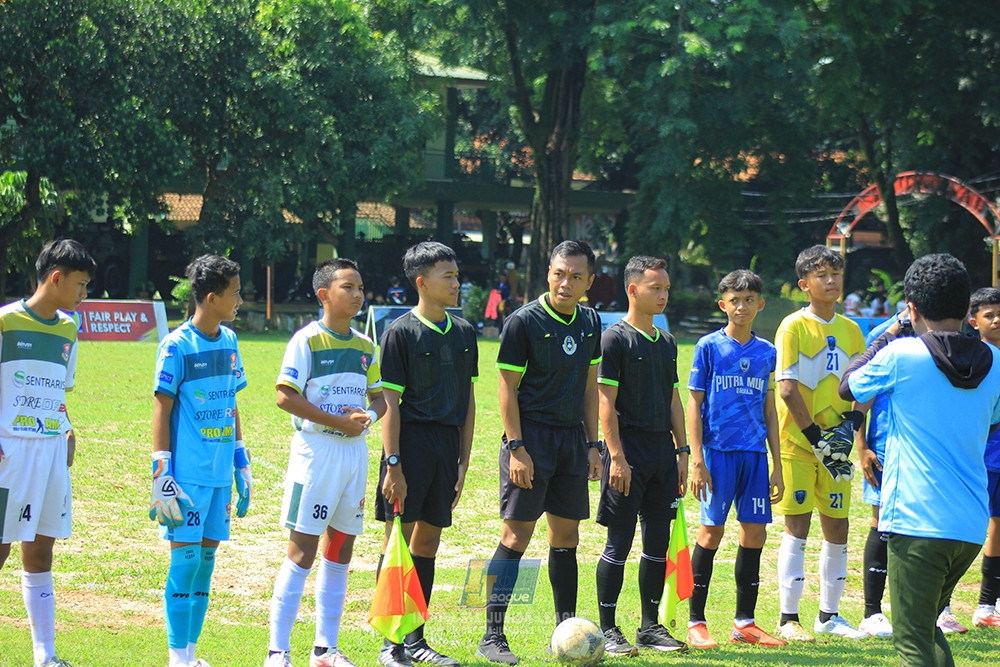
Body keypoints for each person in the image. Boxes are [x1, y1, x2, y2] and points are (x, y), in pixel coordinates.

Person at [841, 253, 1000, 666]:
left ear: (911, 309)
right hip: (968, 526)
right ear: (968, 310)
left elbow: (850, 384)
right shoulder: (997, 362)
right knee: (926, 628)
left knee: (912, 642)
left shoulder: (904, 354)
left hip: (916, 522)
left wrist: (892, 329)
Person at [476, 240, 603, 665]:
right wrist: (515, 448)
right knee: (516, 536)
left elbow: (590, 389)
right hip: (529, 439)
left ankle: (565, 631)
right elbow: (505, 388)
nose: (566, 283)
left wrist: (592, 443)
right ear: (548, 273)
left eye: (576, 276)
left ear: (588, 281)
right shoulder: (523, 321)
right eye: (559, 273)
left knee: (567, 537)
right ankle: (491, 635)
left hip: (571, 441)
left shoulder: (590, 321)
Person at [265, 259, 386, 667]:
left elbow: (380, 398)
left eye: (360, 287)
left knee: (342, 549)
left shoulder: (367, 345)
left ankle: (324, 649)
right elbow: (285, 396)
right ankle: (277, 651)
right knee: (302, 550)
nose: (358, 294)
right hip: (317, 454)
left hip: (354, 455)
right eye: (348, 287)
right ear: (324, 295)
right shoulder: (306, 340)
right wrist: (339, 422)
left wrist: (369, 418)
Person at [376, 242, 478, 667]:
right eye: (447, 277)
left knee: (429, 542)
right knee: (395, 540)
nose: (456, 283)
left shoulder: (465, 332)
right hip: (409, 445)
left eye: (457, 275)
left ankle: (417, 639)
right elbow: (389, 406)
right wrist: (393, 463)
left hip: (446, 448)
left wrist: (464, 459)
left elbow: (470, 399)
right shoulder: (400, 331)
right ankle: (390, 642)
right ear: (422, 282)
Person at [150, 254, 248, 667]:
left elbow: (232, 401)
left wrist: (241, 461)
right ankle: (176, 657)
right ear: (212, 298)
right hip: (187, 478)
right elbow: (161, 408)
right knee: (185, 560)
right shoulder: (175, 345)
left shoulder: (230, 341)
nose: (241, 300)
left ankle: (191, 654)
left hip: (220, 475)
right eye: (236, 293)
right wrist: (162, 473)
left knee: (206, 563)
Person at [0, 239, 94, 667]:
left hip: (52, 451)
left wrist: (67, 424)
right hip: (9, 453)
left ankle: (46, 657)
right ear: (56, 278)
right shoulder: (5, 322)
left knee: (40, 550)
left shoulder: (68, 329)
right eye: (80, 284)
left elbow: (55, 389)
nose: (84, 294)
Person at [685, 270, 786, 649]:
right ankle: (697, 620)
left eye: (749, 300)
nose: (741, 306)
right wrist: (697, 459)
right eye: (734, 300)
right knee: (711, 532)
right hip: (717, 453)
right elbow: (693, 404)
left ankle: (745, 622)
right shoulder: (708, 347)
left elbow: (769, 408)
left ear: (760, 304)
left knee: (755, 533)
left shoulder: (766, 352)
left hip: (755, 455)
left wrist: (777, 464)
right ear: (722, 304)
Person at [594, 256, 689, 655]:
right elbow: (604, 402)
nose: (664, 295)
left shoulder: (667, 342)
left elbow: (672, 399)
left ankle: (650, 626)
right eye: (656, 288)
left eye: (666, 288)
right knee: (620, 540)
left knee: (657, 541)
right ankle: (608, 628)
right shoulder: (614, 338)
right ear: (633, 290)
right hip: (627, 450)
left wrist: (682, 451)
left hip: (661, 453)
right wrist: (615, 457)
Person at [773, 245, 866, 642]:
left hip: (837, 447)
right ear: (804, 284)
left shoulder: (852, 329)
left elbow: (865, 382)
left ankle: (829, 616)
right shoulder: (792, 326)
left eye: (836, 274)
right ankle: (788, 618)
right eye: (822, 275)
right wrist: (816, 437)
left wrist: (852, 425)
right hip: (798, 443)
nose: (831, 281)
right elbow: (788, 389)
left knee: (838, 526)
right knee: (797, 526)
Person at [854, 311, 911, 639]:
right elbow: (861, 394)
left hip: (923, 450)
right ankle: (872, 612)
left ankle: (917, 610)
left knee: (917, 529)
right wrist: (862, 447)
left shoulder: (940, 335)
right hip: (885, 447)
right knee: (880, 523)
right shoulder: (884, 335)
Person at [967, 287, 1000, 630]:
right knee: (967, 530)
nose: (996, 319)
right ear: (973, 321)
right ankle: (941, 607)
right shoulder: (970, 357)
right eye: (989, 314)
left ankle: (987, 605)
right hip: (978, 457)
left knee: (998, 529)